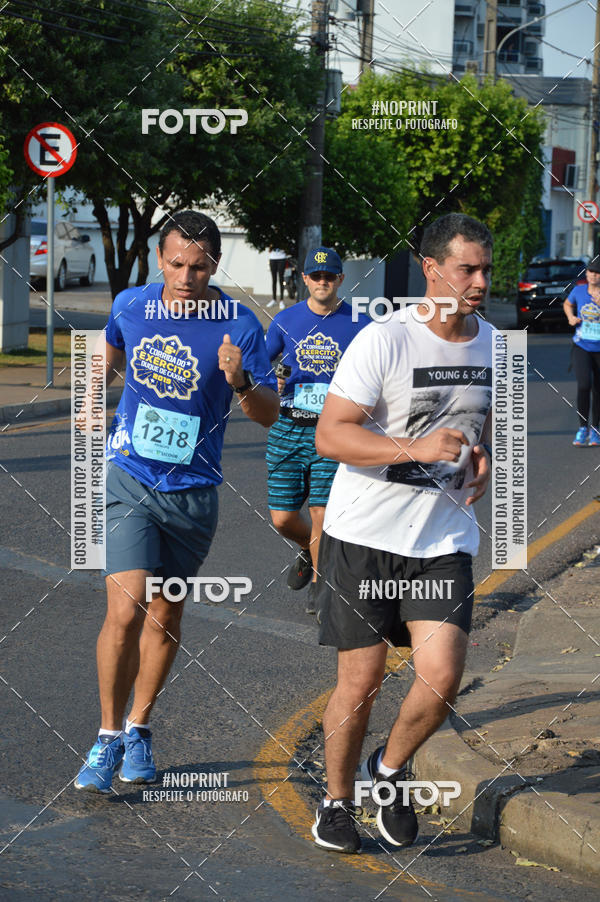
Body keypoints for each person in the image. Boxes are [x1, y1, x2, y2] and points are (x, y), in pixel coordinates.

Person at [75, 210, 278, 793]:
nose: (186, 277)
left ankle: (140, 726)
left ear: (215, 264)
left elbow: (267, 414)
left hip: (193, 493)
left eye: (199, 266)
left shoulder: (239, 325)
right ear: (160, 260)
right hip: (129, 478)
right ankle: (108, 735)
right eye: (176, 264)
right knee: (126, 606)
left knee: (165, 613)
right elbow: (107, 354)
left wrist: (240, 382)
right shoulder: (131, 305)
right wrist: (93, 394)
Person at [311, 213, 494, 853]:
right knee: (358, 685)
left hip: (442, 540)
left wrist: (484, 459)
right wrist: (412, 445)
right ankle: (335, 805)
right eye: (466, 269)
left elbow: (482, 426)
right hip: (364, 536)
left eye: (485, 270)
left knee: (441, 676)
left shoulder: (493, 342)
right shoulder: (383, 340)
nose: (478, 281)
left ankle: (386, 771)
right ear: (432, 269)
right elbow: (330, 434)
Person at [265, 247, 370, 614]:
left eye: (330, 276)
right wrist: (270, 383)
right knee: (283, 517)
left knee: (323, 511)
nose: (323, 282)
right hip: (288, 427)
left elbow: (378, 368)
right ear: (304, 279)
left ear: (340, 279)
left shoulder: (361, 322)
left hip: (333, 431)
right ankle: (308, 552)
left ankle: (320, 588)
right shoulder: (286, 320)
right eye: (316, 276)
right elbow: (262, 364)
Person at [563, 259, 600, 446]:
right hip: (582, 346)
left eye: (597, 272)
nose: (593, 275)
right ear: (586, 274)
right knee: (584, 384)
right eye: (591, 271)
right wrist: (571, 317)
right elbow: (567, 304)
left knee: (598, 389)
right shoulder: (578, 291)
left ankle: (596, 430)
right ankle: (582, 427)